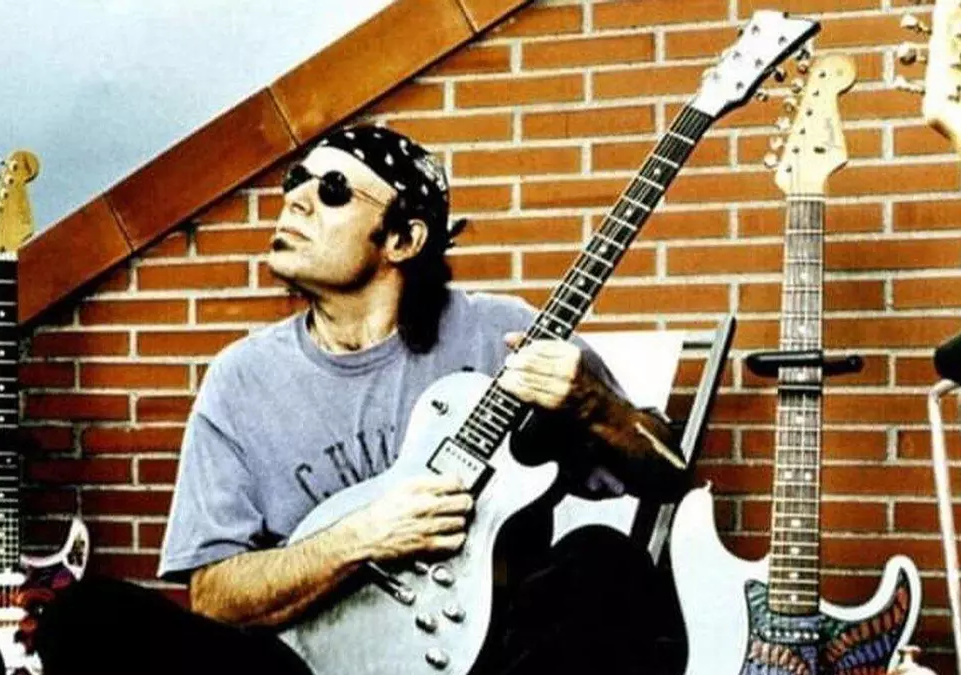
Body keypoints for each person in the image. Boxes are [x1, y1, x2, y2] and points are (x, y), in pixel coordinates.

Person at [36, 124, 688, 675]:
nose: (295, 201)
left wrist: (594, 405)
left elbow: (669, 473)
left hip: (489, 655)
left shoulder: (502, 335)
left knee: (608, 564)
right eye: (295, 181)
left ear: (403, 240)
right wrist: (361, 537)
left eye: (332, 190)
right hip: (306, 666)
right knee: (87, 616)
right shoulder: (242, 378)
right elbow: (213, 596)